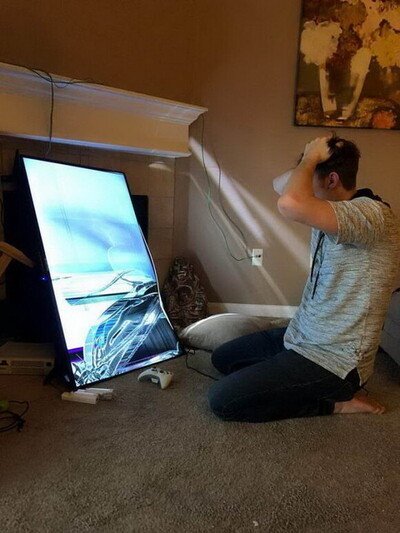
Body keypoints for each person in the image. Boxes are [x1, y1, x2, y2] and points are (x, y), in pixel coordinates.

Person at [208, 135, 400, 423]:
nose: (303, 185)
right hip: (301, 337)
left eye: (310, 177)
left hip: (336, 362)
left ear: (332, 180)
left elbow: (289, 202)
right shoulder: (329, 211)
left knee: (223, 401)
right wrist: (311, 157)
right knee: (223, 358)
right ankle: (287, 376)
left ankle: (336, 403)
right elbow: (280, 186)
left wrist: (311, 158)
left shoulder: (371, 215)